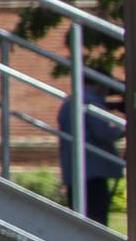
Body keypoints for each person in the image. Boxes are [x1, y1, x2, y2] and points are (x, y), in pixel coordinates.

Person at [52, 66, 123, 225]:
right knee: (97, 220)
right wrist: (123, 130)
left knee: (80, 220)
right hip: (92, 172)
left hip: (75, 171)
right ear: (99, 84)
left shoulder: (71, 101)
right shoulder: (90, 102)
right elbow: (104, 133)